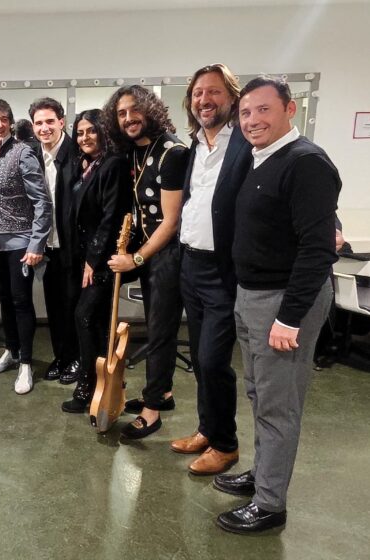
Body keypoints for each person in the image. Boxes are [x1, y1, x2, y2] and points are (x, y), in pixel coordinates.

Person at [215, 77, 340, 534]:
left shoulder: (305, 161)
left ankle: (270, 504)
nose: (253, 120)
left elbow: (317, 249)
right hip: (252, 295)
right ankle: (263, 474)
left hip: (283, 302)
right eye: (246, 112)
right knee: (259, 395)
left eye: (264, 110)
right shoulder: (259, 157)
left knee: (278, 405)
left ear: (290, 109)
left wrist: (289, 317)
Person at [172, 64, 252, 475]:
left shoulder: (246, 143)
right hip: (191, 264)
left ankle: (226, 445)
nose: (205, 100)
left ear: (232, 97)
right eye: (199, 94)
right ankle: (208, 428)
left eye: (214, 92)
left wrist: (334, 226)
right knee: (203, 362)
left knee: (213, 359)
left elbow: (284, 184)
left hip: (223, 271)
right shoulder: (195, 146)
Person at [103, 85, 189, 439]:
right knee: (157, 328)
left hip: (169, 255)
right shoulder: (136, 153)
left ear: (150, 110)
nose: (128, 119)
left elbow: (170, 221)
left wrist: (135, 258)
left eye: (133, 111)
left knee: (160, 330)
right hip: (152, 254)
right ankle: (163, 393)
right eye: (121, 114)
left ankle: (152, 411)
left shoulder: (173, 152)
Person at [0, 98, 51, 395]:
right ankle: (11, 351)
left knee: (21, 302)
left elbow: (42, 202)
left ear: (10, 122)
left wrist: (36, 243)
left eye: (4, 119)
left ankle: (26, 364)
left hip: (20, 243)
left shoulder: (23, 153)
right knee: (4, 300)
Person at [61, 110, 133, 413]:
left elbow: (111, 217)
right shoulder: (87, 165)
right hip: (85, 255)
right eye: (79, 133)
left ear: (104, 132)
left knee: (84, 316)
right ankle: (108, 381)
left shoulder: (113, 164)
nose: (85, 137)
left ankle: (87, 385)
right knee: (98, 320)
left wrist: (93, 261)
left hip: (102, 260)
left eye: (91, 131)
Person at [29, 97, 82, 384]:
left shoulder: (77, 155)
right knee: (54, 308)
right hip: (48, 248)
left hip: (73, 248)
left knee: (75, 308)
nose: (44, 128)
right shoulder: (34, 156)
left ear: (62, 122)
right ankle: (61, 356)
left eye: (50, 121)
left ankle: (76, 358)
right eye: (39, 123)